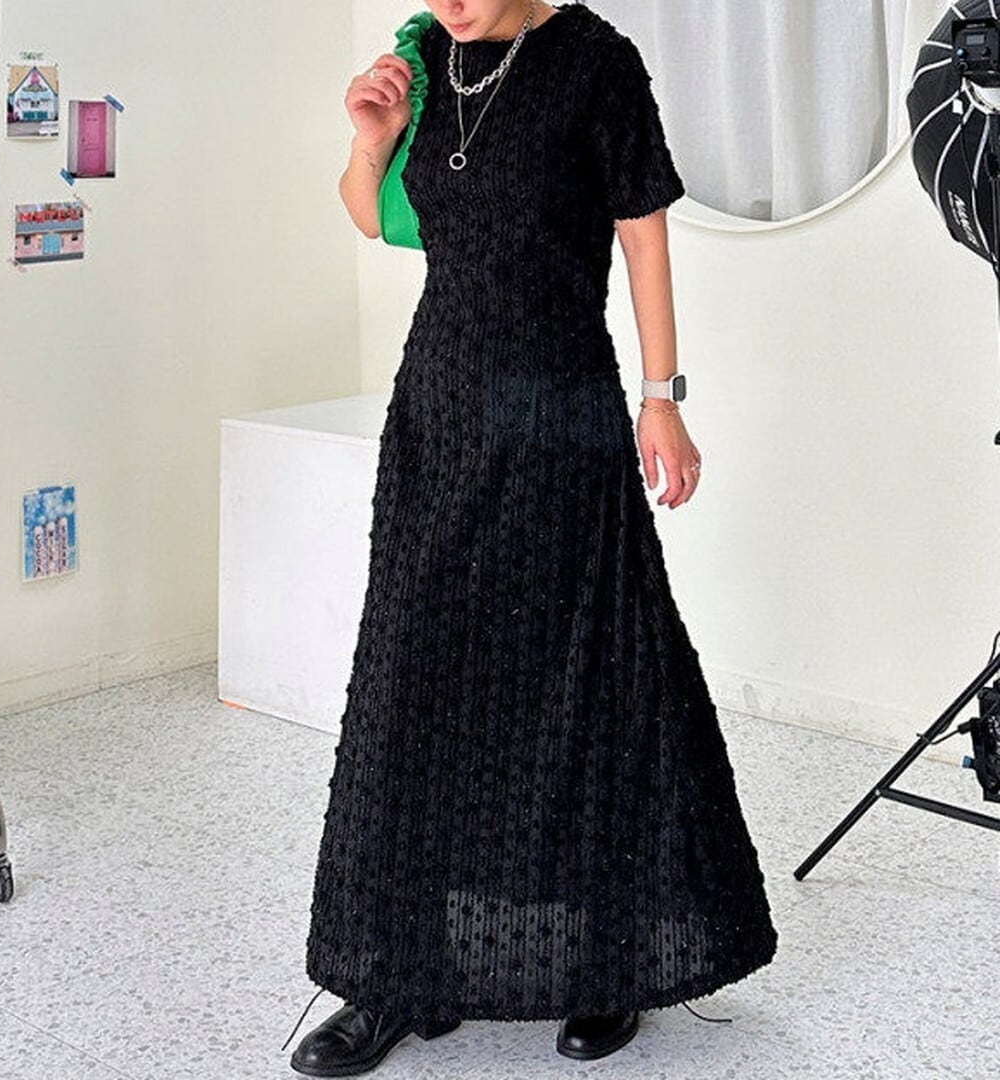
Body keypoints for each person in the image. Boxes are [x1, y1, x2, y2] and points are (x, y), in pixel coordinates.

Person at [287, 1, 778, 1075]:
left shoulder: (597, 62)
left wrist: (662, 397)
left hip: (557, 399)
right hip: (441, 403)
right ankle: (398, 974)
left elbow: (642, 234)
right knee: (415, 671)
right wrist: (372, 141)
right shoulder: (426, 57)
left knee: (584, 672)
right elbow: (374, 220)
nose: (450, 1)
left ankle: (609, 960)